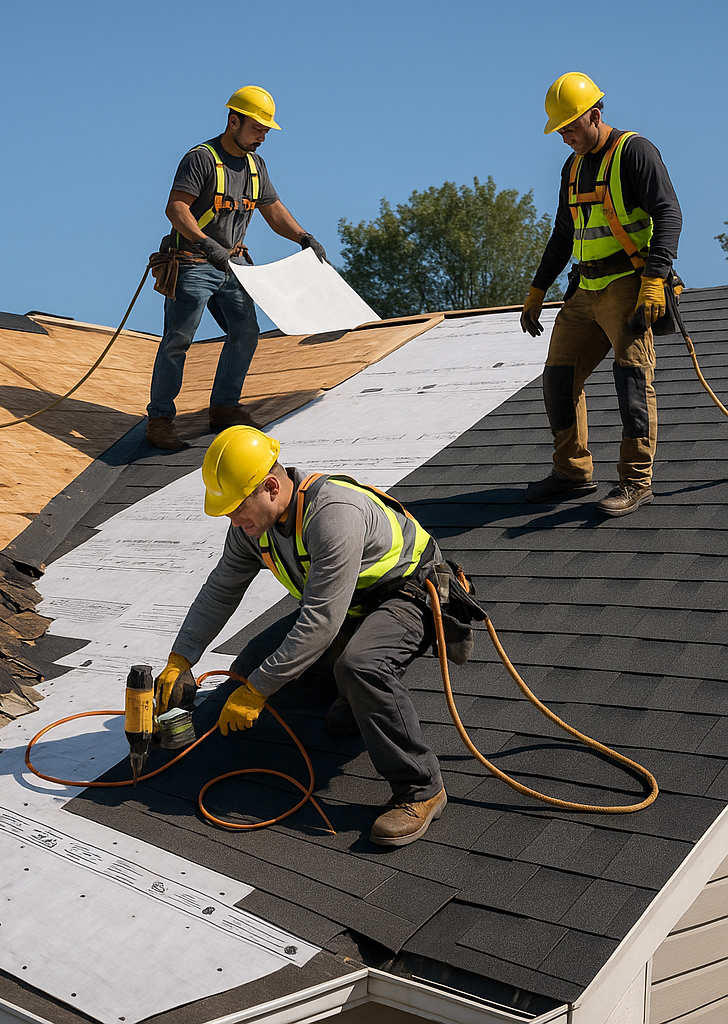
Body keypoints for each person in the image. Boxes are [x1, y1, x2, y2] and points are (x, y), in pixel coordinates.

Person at [153, 426, 454, 848]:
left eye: (238, 508)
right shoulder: (252, 527)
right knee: (243, 674)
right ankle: (354, 700)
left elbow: (319, 622)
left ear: (271, 487)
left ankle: (421, 788)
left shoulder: (334, 513)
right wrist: (181, 658)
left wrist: (259, 690)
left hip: (411, 597)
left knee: (361, 666)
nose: (234, 521)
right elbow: (222, 587)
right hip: (350, 608)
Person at [520, 72, 682, 517]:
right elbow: (562, 233)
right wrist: (537, 289)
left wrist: (655, 279)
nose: (566, 137)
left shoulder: (634, 151)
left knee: (631, 379)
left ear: (595, 115)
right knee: (558, 377)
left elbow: (669, 214)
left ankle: (635, 482)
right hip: (584, 288)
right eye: (561, 130)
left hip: (628, 285)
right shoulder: (571, 168)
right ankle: (572, 470)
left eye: (572, 127)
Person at [146, 86, 326, 451]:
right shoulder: (200, 159)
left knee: (246, 333)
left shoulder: (255, 166)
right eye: (257, 128)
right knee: (179, 340)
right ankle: (160, 419)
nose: (263, 136)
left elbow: (273, 211)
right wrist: (205, 243)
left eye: (266, 130)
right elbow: (176, 209)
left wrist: (303, 237)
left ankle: (225, 408)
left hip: (234, 266)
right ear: (233, 121)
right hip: (194, 263)